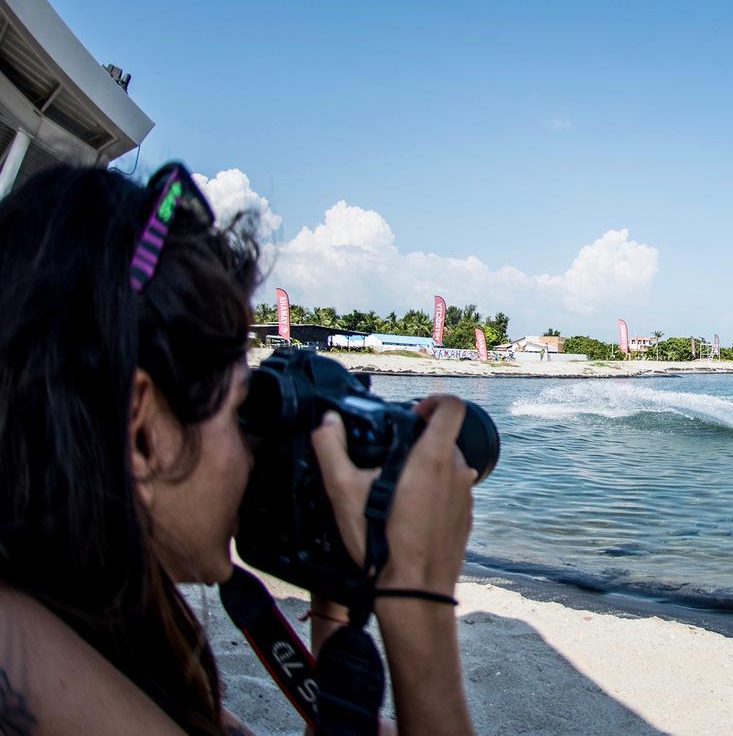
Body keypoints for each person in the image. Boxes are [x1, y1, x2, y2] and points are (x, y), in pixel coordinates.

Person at [0, 164, 476, 734]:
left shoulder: (70, 616)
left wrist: (333, 597)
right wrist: (417, 603)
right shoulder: (48, 687)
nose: (255, 453)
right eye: (239, 412)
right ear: (143, 432)